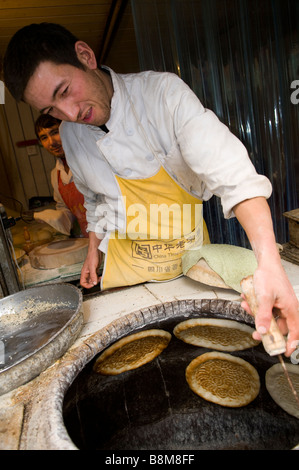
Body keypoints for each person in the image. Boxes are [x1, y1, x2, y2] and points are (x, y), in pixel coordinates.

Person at [3, 23, 299, 357]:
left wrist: (269, 263)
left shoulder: (162, 96)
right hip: (125, 276)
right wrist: (92, 249)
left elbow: (233, 175)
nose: (69, 114)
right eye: (50, 110)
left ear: (85, 56)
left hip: (190, 271)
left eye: (65, 91)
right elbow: (93, 199)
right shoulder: (71, 135)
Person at [34, 114, 88, 237]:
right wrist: (57, 217)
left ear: (67, 130)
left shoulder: (89, 160)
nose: (51, 142)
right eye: (44, 137)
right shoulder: (56, 174)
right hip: (87, 238)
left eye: (55, 132)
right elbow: (65, 208)